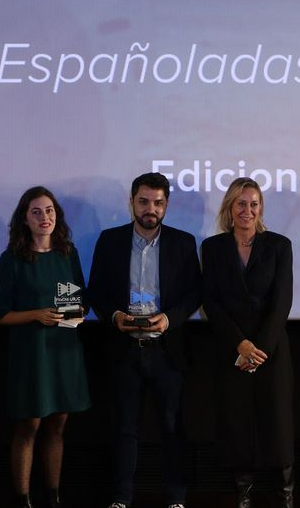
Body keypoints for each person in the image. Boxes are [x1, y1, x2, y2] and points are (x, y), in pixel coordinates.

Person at [88, 172, 201, 508]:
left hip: (167, 351)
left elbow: (196, 292)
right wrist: (114, 317)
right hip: (125, 349)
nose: (150, 208)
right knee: (125, 429)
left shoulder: (183, 242)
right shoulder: (110, 241)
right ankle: (122, 498)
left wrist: (169, 319)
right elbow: (96, 291)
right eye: (144, 201)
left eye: (158, 203)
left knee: (173, 428)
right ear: (132, 202)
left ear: (166, 206)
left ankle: (177, 499)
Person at [0, 186, 91, 508]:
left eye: (49, 210)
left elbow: (75, 300)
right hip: (32, 355)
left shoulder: (67, 253)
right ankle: (23, 499)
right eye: (36, 212)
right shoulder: (13, 259)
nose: (44, 217)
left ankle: (53, 496)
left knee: (58, 426)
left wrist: (78, 313)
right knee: (28, 427)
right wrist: (37, 315)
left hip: (64, 350)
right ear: (24, 219)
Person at [200, 177, 295, 508]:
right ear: (230, 207)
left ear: (261, 208)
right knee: (237, 421)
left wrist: (260, 351)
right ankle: (244, 493)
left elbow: (282, 302)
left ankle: (285, 493)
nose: (247, 210)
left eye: (254, 204)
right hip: (232, 349)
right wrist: (239, 344)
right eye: (241, 203)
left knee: (277, 421)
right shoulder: (212, 248)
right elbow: (211, 302)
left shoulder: (279, 245)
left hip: (271, 350)